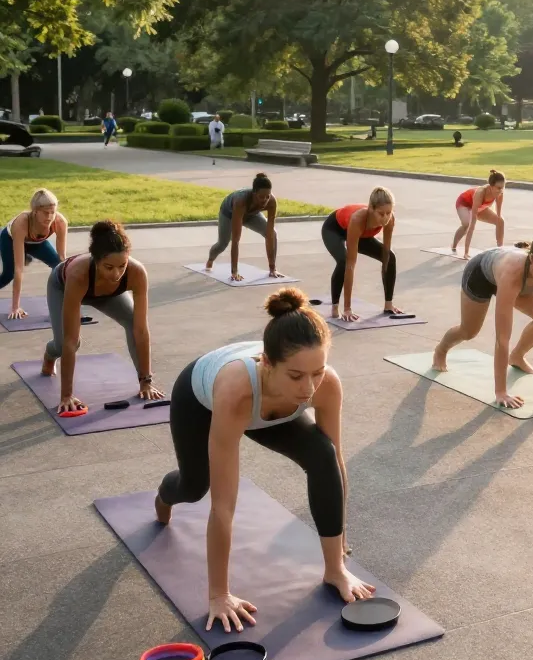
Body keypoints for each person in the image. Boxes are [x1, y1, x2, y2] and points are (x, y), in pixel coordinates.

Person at [154, 289, 374, 632]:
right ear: (267, 363)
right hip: (201, 400)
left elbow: (337, 466)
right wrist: (219, 595)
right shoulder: (236, 391)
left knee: (323, 455)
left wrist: (339, 544)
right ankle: (164, 497)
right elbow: (224, 506)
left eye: (317, 371)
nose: (310, 388)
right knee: (196, 486)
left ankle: (333, 570)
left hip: (272, 405)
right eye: (297, 375)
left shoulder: (325, 384)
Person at [431, 223, 533, 409]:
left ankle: (517, 357)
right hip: (481, 274)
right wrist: (501, 392)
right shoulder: (513, 273)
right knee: (468, 331)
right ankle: (440, 350)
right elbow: (502, 338)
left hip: (520, 279)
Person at [41, 220, 162, 414]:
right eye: (108, 267)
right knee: (64, 342)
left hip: (107, 295)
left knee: (133, 323)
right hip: (63, 287)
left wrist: (146, 381)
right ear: (96, 260)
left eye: (122, 266)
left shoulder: (137, 272)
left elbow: (141, 330)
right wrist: (66, 395)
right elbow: (70, 341)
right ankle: (49, 355)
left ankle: (143, 381)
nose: (116, 274)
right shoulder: (79, 274)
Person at [320, 188, 409, 322]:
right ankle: (335, 306)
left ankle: (388, 304)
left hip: (362, 234)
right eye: (381, 214)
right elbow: (351, 265)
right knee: (344, 262)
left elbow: (385, 253)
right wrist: (348, 308)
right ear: (371, 209)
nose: (385, 218)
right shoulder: (358, 219)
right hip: (334, 229)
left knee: (390, 257)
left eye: (388, 213)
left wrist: (388, 303)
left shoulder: (390, 220)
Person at [1, 188, 68, 319]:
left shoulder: (60, 222)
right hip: (10, 240)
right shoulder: (22, 223)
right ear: (35, 211)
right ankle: (26, 256)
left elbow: (62, 260)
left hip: (37, 243)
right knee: (8, 274)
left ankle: (62, 302)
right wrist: (15, 307)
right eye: (45, 213)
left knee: (58, 265)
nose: (49, 217)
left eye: (52, 212)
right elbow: (19, 269)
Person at [205, 174, 283, 282]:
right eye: (261, 197)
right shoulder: (241, 201)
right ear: (254, 193)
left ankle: (273, 268)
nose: (264, 200)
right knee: (223, 243)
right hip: (229, 213)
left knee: (273, 234)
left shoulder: (272, 202)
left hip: (252, 214)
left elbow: (269, 234)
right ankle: (210, 260)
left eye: (267, 196)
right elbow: (236, 241)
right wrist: (234, 272)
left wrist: (272, 268)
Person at [451, 170, 505, 257]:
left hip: (480, 207)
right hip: (464, 203)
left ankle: (500, 249)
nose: (501, 190)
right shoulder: (480, 193)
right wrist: (466, 252)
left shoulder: (500, 194)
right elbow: (472, 226)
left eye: (503, 187)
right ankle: (454, 245)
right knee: (467, 224)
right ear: (491, 186)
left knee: (500, 221)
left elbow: (498, 216)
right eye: (498, 188)